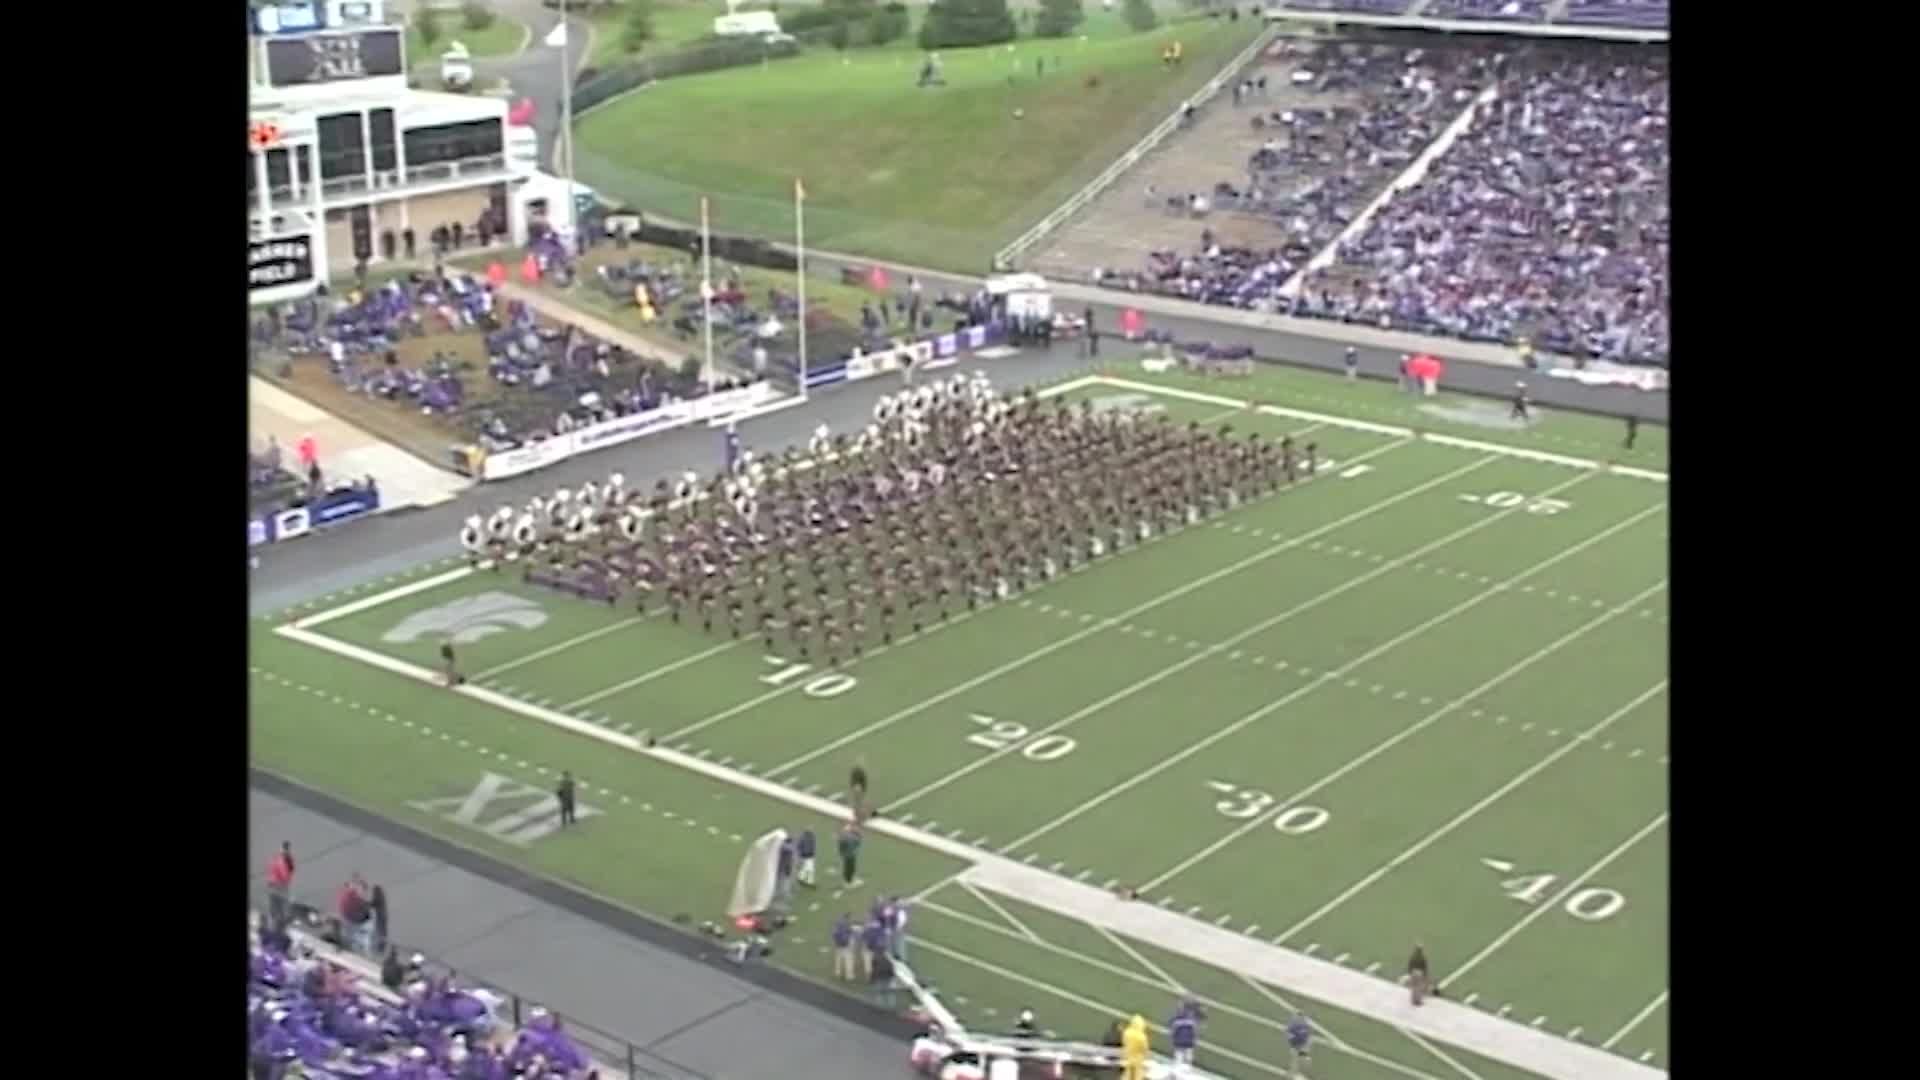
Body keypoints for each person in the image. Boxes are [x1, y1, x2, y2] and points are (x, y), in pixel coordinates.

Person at [266, 842, 295, 929]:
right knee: (277, 908)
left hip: (278, 885)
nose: (286, 850)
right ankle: (274, 926)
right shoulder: (280, 858)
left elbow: (289, 871)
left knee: (277, 908)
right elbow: (284, 873)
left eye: (287, 848)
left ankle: (274, 926)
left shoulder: (285, 858)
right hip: (278, 885)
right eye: (285, 848)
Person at [1121, 1014, 1149, 1080]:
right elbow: (1144, 1049)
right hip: (1138, 1058)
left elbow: (1124, 1042)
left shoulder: (1127, 1032)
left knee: (1127, 1073)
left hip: (1128, 1055)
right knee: (1137, 1075)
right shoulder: (1142, 1037)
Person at [831, 913, 857, 982]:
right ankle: (849, 976)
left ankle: (838, 973)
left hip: (838, 945)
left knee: (838, 960)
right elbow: (851, 933)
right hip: (845, 945)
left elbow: (834, 934)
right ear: (848, 918)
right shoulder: (847, 924)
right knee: (848, 960)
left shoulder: (837, 923)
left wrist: (835, 942)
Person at [837, 820, 863, 886]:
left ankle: (847, 880)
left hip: (846, 854)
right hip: (851, 854)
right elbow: (859, 841)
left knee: (847, 867)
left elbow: (841, 845)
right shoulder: (851, 837)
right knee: (850, 868)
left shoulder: (843, 836)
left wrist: (842, 853)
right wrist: (857, 832)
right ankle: (849, 881)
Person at [1286, 1013, 1312, 1077]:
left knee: (1300, 1058)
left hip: (1301, 1045)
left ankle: (1294, 1072)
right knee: (1298, 1058)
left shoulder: (1294, 1027)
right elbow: (1290, 1037)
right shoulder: (1295, 1026)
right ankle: (1293, 1072)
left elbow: (1307, 1036)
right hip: (1298, 1044)